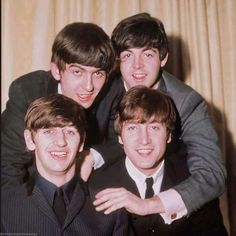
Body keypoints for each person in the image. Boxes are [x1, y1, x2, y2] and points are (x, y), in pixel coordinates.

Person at [92, 12, 227, 223]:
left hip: (177, 213)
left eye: (147, 55)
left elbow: (212, 174)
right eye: (127, 55)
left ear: (163, 58)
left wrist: (149, 205)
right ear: (117, 61)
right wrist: (93, 155)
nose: (137, 66)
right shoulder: (99, 91)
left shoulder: (186, 102)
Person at [90, 86, 228, 236]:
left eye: (154, 128)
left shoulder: (194, 181)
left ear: (168, 136)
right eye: (132, 129)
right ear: (120, 138)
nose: (144, 140)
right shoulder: (97, 185)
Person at [1, 22, 122, 189]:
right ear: (57, 70)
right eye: (77, 72)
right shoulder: (28, 92)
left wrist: (93, 155)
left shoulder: (114, 90)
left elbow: (123, 143)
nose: (89, 86)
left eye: (98, 73)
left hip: (87, 189)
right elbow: (8, 164)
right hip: (32, 191)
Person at [1, 94, 128, 235]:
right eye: (49, 131)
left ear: (81, 142)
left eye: (69, 132)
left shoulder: (111, 209)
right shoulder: (4, 206)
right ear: (30, 140)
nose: (61, 142)